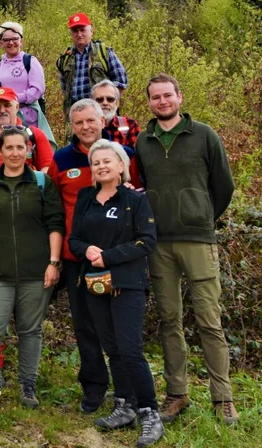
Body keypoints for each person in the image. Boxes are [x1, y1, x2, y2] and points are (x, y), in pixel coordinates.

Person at [135, 74, 237, 425]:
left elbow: (223, 185)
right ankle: (177, 394)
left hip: (197, 239)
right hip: (159, 242)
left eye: (167, 96)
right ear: (148, 102)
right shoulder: (143, 141)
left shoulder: (204, 135)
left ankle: (222, 397)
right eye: (155, 98)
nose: (162, 102)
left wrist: (202, 216)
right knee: (169, 320)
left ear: (179, 96)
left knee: (210, 320)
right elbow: (142, 185)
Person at [46, 98, 141, 414]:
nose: (85, 127)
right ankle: (94, 388)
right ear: (71, 126)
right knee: (86, 327)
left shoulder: (123, 155)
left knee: (119, 330)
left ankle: (127, 393)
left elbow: (139, 198)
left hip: (118, 259)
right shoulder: (61, 159)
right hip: (78, 260)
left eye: (91, 120)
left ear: (103, 120)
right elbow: (54, 211)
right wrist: (55, 258)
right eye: (78, 122)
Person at [0, 125, 64, 417]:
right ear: (0, 150)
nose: (16, 152)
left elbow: (55, 224)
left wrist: (54, 262)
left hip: (36, 271)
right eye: (10, 147)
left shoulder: (42, 183)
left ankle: (27, 386)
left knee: (30, 331)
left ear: (29, 149)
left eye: (21, 147)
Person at [69, 140, 164, 446]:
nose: (101, 166)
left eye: (107, 161)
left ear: (121, 166)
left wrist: (107, 256)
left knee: (130, 349)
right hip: (95, 283)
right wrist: (87, 250)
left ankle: (150, 412)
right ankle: (125, 404)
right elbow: (74, 240)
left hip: (126, 283)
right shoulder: (85, 197)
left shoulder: (134, 201)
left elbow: (146, 241)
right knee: (111, 347)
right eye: (96, 162)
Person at [56, 13, 128, 116]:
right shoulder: (65, 58)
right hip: (77, 115)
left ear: (91, 31)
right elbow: (65, 89)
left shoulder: (104, 52)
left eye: (82, 30)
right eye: (75, 31)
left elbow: (121, 81)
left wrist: (107, 101)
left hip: (101, 114)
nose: (79, 34)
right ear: (71, 34)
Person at [0, 87, 54, 171]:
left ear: (17, 107)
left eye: (7, 105)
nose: (2, 110)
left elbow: (47, 168)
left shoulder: (35, 135)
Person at [0, 22, 47, 129]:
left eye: (15, 39)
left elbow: (37, 89)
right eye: (6, 40)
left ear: (21, 41)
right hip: (1, 118)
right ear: (1, 43)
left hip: (27, 118)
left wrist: (12, 99)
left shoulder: (30, 61)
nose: (11, 43)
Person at [93, 79, 141, 149]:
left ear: (117, 103)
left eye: (110, 99)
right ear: (92, 103)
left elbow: (138, 157)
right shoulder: (86, 127)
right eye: (99, 99)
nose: (105, 103)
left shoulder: (130, 125)